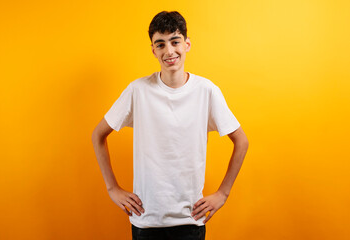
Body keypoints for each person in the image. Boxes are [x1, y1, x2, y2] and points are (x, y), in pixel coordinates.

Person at [91, 10, 249, 240]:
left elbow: (241, 141)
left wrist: (223, 193)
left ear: (187, 44)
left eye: (175, 42)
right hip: (146, 221)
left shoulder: (207, 91)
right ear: (153, 50)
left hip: (190, 220)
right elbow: (98, 135)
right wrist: (112, 188)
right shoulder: (138, 90)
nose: (169, 51)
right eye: (161, 44)